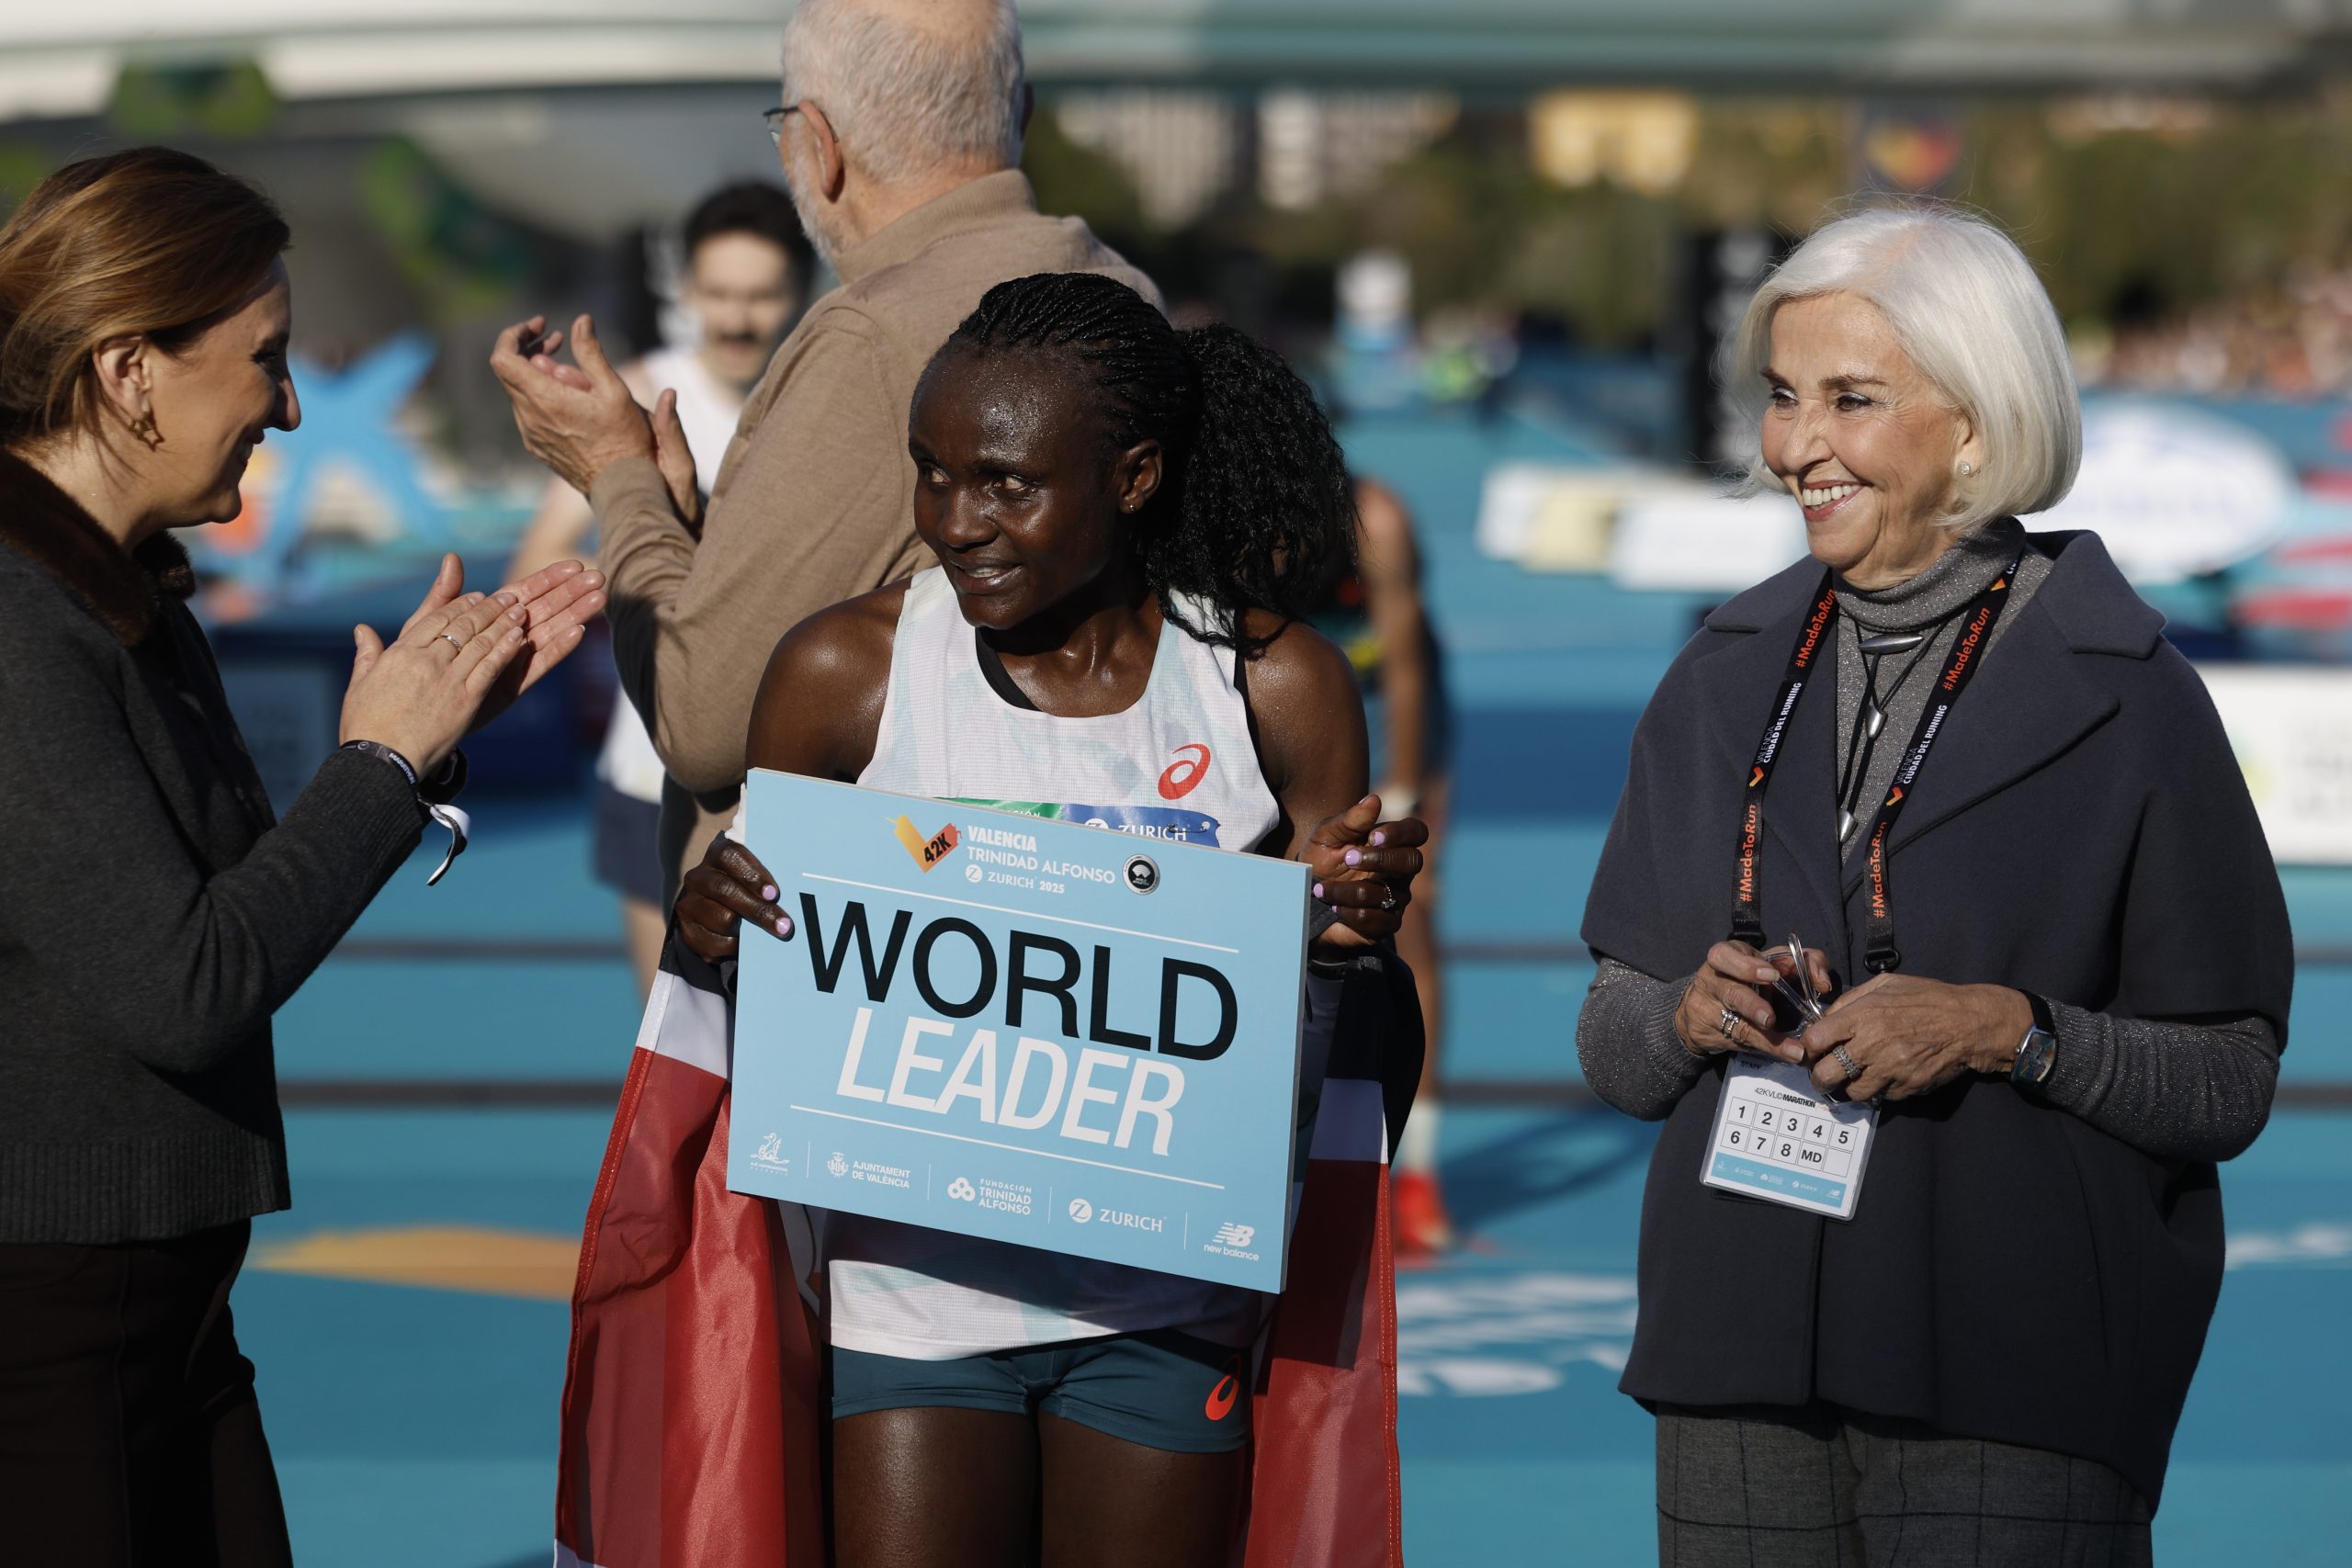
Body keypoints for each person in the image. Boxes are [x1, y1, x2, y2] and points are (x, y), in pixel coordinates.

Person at [662, 272, 1428, 1567]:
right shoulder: (845, 672)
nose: (956, 521)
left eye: (1006, 483)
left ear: (1133, 478)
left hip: (1164, 1302)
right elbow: (763, 1011)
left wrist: (1345, 949)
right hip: (913, 1300)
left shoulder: (1271, 687)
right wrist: (711, 929)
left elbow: (1349, 1056)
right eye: (932, 472)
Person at [1576, 206, 2292, 1566]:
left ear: (1975, 424)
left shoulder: (2133, 698)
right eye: (1784, 396)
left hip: (2012, 1366)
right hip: (1734, 1352)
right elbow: (1613, 1043)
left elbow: (2228, 1079)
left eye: (1851, 399)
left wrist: (2006, 1031)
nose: (1796, 445)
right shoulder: (1718, 675)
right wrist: (1682, 1014)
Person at [0, 148, 604, 1565]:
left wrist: (419, 747)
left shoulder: (121, 592)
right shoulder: (24, 621)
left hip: (161, 1304)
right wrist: (379, 767)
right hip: (53, 1325)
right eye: (265, 358)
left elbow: (219, 908)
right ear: (129, 372)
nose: (286, 405)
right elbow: (187, 982)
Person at [491, 0, 1155, 900]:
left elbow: (704, 720)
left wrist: (617, 477)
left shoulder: (872, 337)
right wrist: (685, 523)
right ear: (1024, 112)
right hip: (1064, 892)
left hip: (864, 930)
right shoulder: (1123, 287)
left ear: (818, 144)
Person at [506, 181, 809, 993]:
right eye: (719, 293)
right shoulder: (632, 397)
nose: (738, 318)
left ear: (802, 290)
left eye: (762, 295)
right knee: (673, 1034)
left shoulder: (825, 403)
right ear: (686, 290)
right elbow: (536, 561)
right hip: (652, 768)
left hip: (797, 780)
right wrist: (666, 558)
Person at [1308, 476, 1458, 1251]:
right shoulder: (1228, 517)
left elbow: (1404, 669)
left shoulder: (1377, 521)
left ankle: (1418, 1173)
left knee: (1414, 915)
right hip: (1307, 705)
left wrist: (1400, 791)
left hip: (1395, 705)